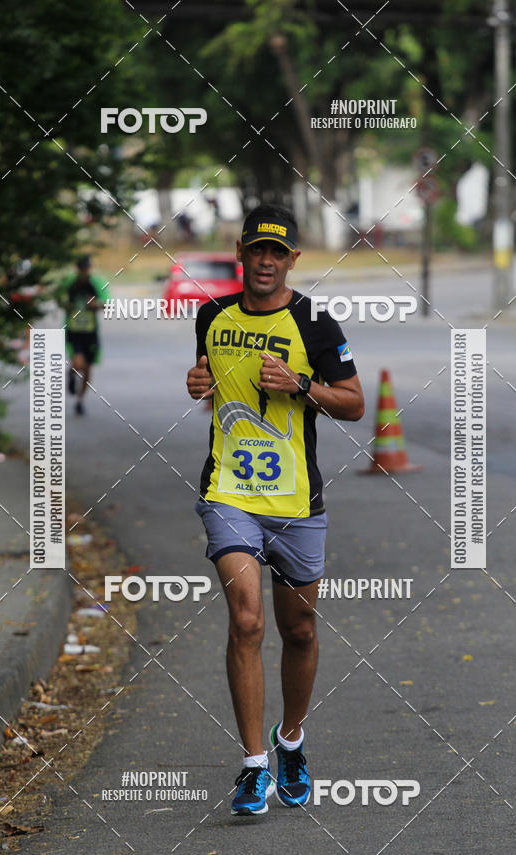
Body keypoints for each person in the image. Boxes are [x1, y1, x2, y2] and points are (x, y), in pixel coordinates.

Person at [186, 204, 364, 816]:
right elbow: (209, 385)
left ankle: (291, 740)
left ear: (293, 260)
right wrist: (197, 384)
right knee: (246, 621)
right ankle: (254, 764)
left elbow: (355, 404)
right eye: (257, 250)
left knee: (300, 630)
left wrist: (301, 385)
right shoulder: (212, 315)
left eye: (278, 253)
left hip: (296, 502)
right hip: (229, 494)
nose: (266, 261)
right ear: (240, 252)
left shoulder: (316, 323)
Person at [61, 256, 109, 415]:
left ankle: (80, 400)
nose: (84, 271)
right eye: (82, 268)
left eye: (86, 268)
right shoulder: (69, 282)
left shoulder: (96, 282)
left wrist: (95, 304)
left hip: (90, 332)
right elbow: (59, 298)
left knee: (87, 369)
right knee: (78, 363)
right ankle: (71, 373)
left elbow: (107, 304)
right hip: (74, 330)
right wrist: (67, 304)